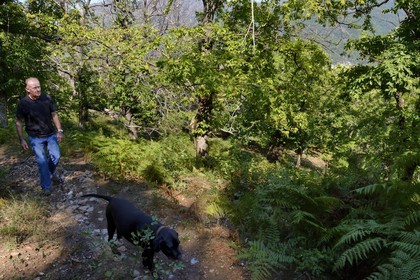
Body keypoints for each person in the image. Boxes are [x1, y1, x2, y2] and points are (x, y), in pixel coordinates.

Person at [16, 77, 64, 196]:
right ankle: (46, 187)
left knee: (56, 156)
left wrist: (59, 130)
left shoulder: (47, 98)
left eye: (39, 86)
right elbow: (19, 122)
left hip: (50, 134)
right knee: (42, 162)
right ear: (28, 89)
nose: (38, 89)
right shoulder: (23, 103)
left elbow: (54, 115)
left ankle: (49, 174)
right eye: (35, 87)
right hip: (35, 137)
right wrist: (21, 139)